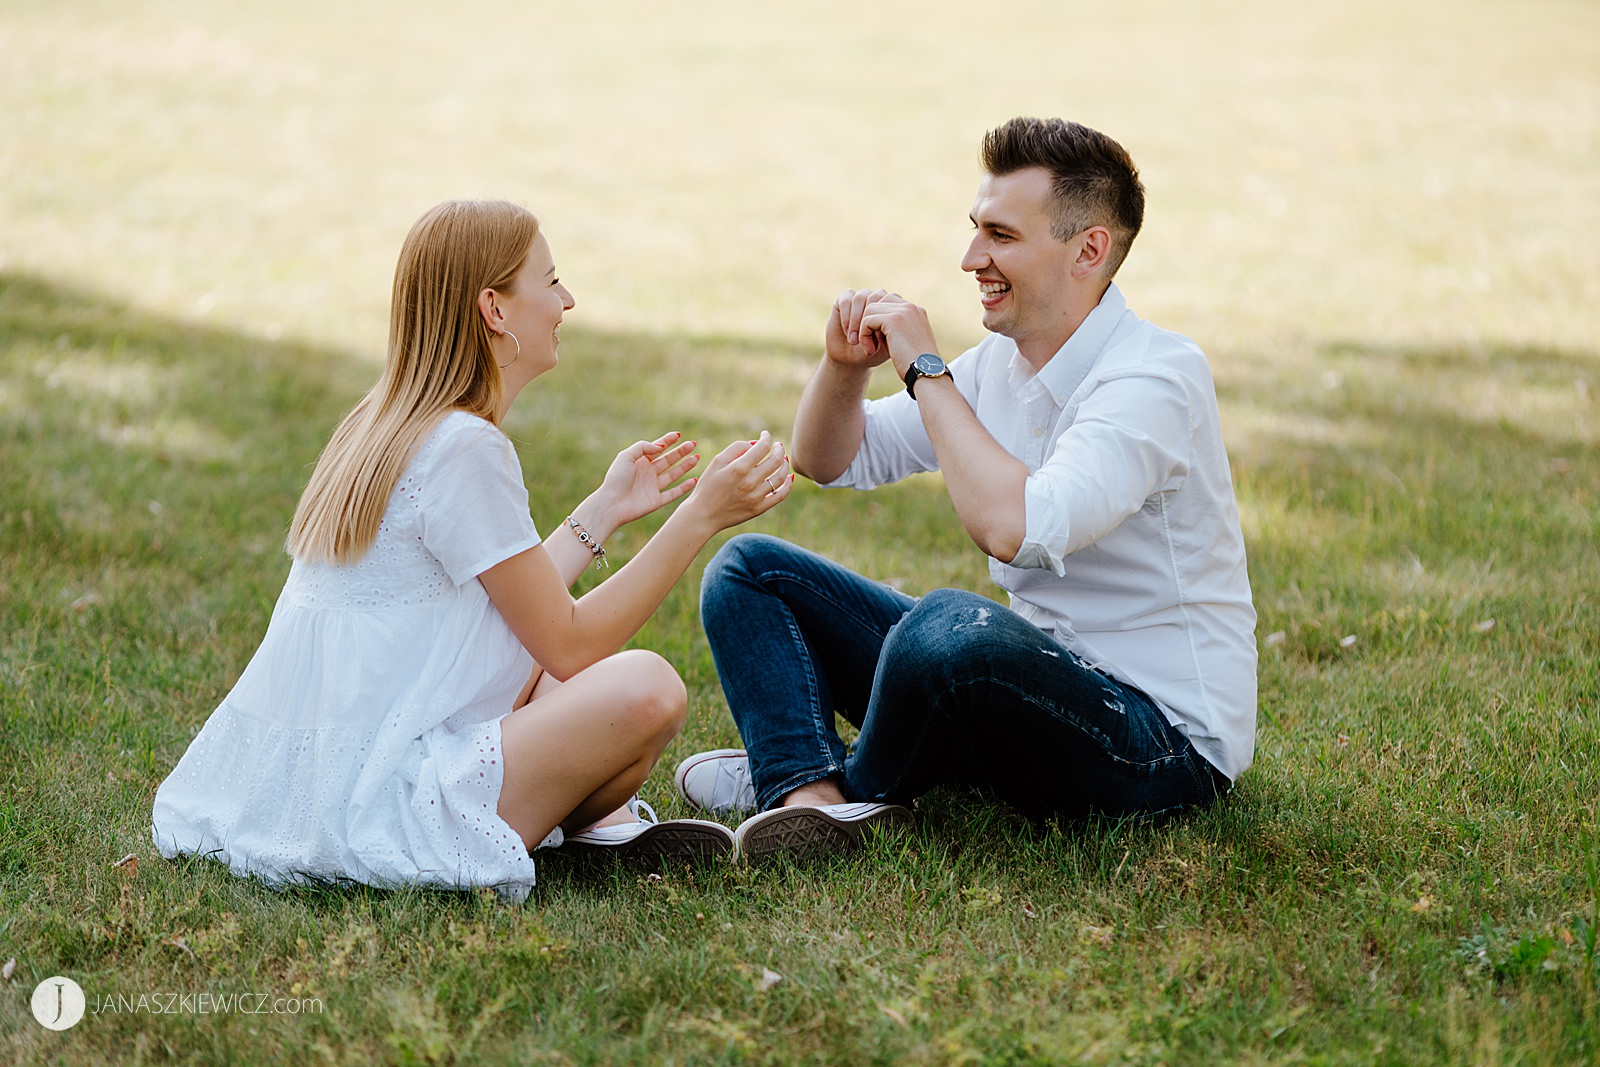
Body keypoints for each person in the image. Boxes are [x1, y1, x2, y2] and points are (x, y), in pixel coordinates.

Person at [152, 199, 793, 900]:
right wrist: (699, 517)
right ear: (494, 308)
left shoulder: (385, 422)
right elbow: (569, 643)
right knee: (646, 689)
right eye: (550, 282)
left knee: (567, 686)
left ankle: (590, 821)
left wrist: (603, 509)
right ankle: (574, 822)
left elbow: (514, 609)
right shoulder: (464, 448)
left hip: (325, 780)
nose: (567, 300)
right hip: (383, 799)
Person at [674, 117, 1257, 860]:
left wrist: (926, 371)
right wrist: (843, 367)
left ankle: (835, 784)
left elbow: (1018, 528)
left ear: (1089, 251)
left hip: (1159, 743)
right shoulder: (996, 368)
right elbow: (827, 459)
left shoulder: (1156, 378)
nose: (970, 257)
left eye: (1001, 236)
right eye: (975, 229)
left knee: (950, 628)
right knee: (751, 570)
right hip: (1029, 692)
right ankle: (809, 796)